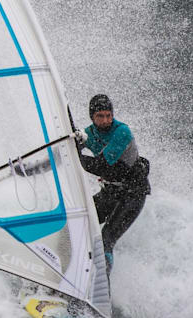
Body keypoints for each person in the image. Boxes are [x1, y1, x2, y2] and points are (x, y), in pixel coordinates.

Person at [71, 94, 150, 275]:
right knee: (79, 224)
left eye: (109, 115)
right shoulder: (88, 133)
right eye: (100, 116)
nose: (106, 120)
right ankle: (71, 272)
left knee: (106, 239)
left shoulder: (122, 132)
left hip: (132, 196)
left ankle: (102, 289)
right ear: (92, 117)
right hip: (111, 193)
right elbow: (63, 153)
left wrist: (75, 156)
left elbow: (104, 167)